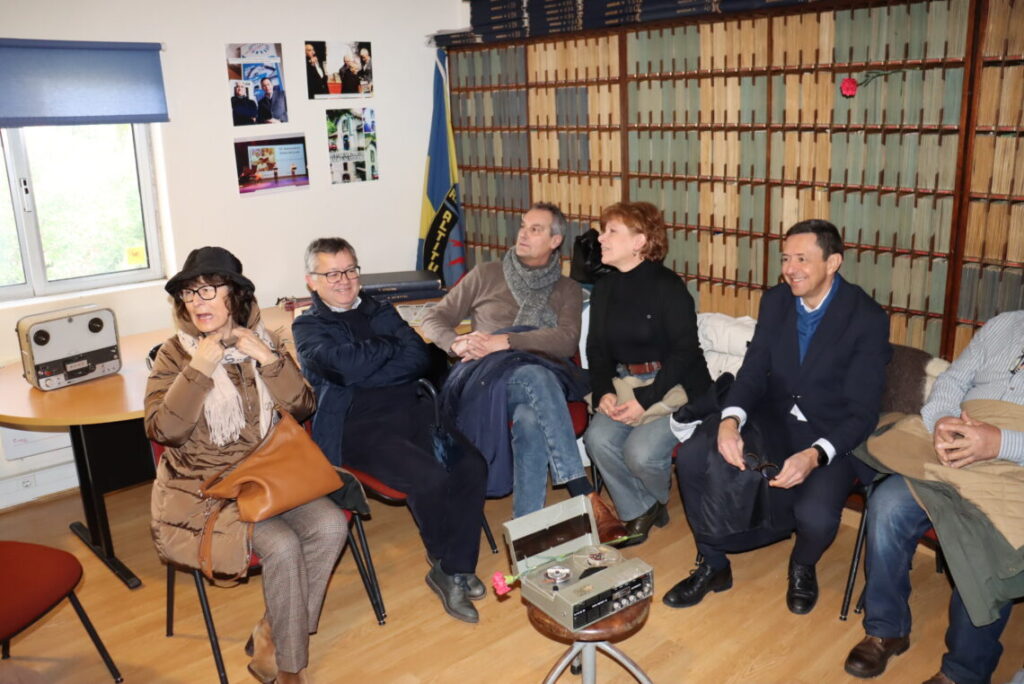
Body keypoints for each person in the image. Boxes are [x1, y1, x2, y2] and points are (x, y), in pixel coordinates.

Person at [663, 219, 891, 615]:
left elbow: (863, 412)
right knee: (694, 456)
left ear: (833, 262)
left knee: (816, 516)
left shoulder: (866, 317)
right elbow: (753, 371)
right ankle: (714, 564)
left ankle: (802, 564)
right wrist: (730, 421)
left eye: (802, 259)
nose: (790, 269)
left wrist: (815, 456)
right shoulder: (776, 301)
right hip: (774, 416)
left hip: (829, 431)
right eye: (786, 258)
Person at [147, 246, 346, 684]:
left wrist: (268, 358)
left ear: (234, 295)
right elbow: (165, 431)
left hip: (267, 476)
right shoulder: (174, 355)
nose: (196, 301)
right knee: (283, 546)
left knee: (332, 525)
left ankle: (274, 630)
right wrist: (201, 366)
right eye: (189, 293)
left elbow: (302, 407)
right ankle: (290, 666)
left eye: (208, 290)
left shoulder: (264, 340)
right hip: (205, 491)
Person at [293, 238, 490, 624]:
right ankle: (449, 566)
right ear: (311, 281)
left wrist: (366, 363)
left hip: (415, 411)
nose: (344, 280)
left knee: (471, 466)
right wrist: (388, 345)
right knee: (430, 479)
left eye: (350, 270)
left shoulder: (379, 308)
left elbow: (418, 358)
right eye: (331, 273)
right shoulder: (307, 326)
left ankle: (455, 567)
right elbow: (343, 368)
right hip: (357, 427)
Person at [420, 202, 626, 541]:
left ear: (555, 241)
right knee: (536, 377)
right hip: (484, 380)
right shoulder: (486, 274)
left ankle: (526, 533)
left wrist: (505, 341)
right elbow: (433, 317)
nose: (523, 234)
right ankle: (582, 490)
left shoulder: (567, 289)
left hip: (537, 380)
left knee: (531, 416)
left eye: (535, 229)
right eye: (523, 226)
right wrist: (455, 344)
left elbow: (565, 341)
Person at [843, 310, 1024, 684]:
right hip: (956, 439)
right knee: (888, 505)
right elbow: (954, 380)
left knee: (984, 543)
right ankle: (887, 628)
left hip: (1015, 464)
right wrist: (941, 421)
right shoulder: (1004, 324)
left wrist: (1001, 442)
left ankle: (964, 672)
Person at [583, 201, 712, 547]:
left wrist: (646, 400)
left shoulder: (668, 286)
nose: (601, 238)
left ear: (639, 241)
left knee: (639, 453)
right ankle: (643, 507)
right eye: (603, 230)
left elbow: (685, 353)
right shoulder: (605, 287)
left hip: (675, 386)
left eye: (612, 231)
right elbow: (596, 349)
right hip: (626, 384)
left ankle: (651, 502)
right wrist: (603, 391)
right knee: (597, 440)